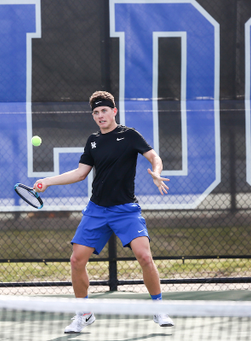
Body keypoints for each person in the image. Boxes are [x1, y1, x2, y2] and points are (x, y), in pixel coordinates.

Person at [33, 91, 174, 333]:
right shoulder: (93, 141)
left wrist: (157, 171)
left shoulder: (129, 135)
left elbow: (154, 156)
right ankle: (83, 313)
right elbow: (79, 173)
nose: (100, 116)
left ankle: (158, 308)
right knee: (77, 260)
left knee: (145, 257)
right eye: (96, 112)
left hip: (126, 210)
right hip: (97, 210)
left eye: (104, 111)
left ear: (114, 111)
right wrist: (47, 181)